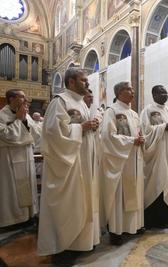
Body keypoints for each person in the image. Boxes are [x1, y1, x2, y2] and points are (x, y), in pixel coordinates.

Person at [38, 68, 101, 260]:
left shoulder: (81, 103)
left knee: (84, 201)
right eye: (84, 81)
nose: (88, 85)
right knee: (67, 204)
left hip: (84, 162)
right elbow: (52, 133)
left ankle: (81, 242)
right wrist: (81, 127)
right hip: (67, 164)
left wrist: (92, 127)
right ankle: (63, 248)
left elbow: (82, 128)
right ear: (71, 82)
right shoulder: (60, 101)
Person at [100, 82, 145, 245]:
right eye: (128, 89)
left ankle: (134, 225)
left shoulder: (133, 113)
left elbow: (139, 133)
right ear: (119, 92)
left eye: (132, 89)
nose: (133, 91)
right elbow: (108, 136)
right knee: (120, 195)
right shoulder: (111, 111)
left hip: (134, 160)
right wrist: (132, 141)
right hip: (119, 161)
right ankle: (116, 230)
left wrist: (140, 139)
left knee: (135, 192)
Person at [140, 85, 168, 229]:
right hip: (158, 154)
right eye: (161, 92)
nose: (165, 95)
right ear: (154, 94)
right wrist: (163, 127)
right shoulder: (148, 110)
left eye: (166, 92)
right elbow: (145, 130)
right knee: (158, 181)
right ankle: (155, 219)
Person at [0, 89, 38, 228]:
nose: (25, 99)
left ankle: (29, 216)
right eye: (22, 97)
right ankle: (13, 219)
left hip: (26, 157)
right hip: (9, 159)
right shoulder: (2, 115)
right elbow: (5, 135)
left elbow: (36, 134)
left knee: (28, 186)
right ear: (11, 99)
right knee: (11, 190)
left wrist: (23, 120)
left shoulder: (25, 115)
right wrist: (19, 120)